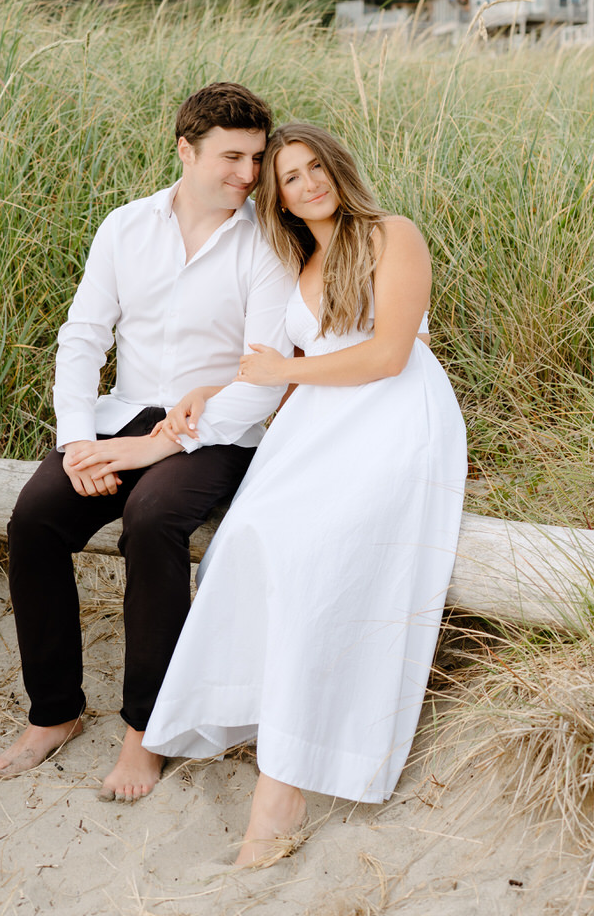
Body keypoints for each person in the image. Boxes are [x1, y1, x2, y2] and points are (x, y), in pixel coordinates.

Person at [141, 122, 467, 865]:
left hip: (392, 417)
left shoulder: (391, 235)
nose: (308, 182)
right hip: (314, 427)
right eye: (290, 176)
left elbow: (386, 355)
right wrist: (207, 391)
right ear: (277, 198)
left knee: (321, 557)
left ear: (338, 168)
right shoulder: (299, 261)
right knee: (246, 542)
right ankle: (266, 714)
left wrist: (281, 375)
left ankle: (280, 796)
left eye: (316, 166)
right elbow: (279, 366)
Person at [0, 83, 293, 800]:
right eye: (231, 157)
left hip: (218, 428)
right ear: (186, 151)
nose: (248, 175)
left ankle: (145, 730)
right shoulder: (125, 226)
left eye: (256, 157)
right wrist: (75, 444)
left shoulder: (266, 243)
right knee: (34, 520)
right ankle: (55, 713)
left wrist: (154, 451)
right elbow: (82, 338)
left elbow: (264, 377)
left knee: (152, 522)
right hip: (120, 412)